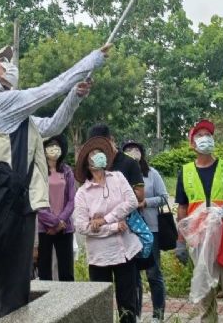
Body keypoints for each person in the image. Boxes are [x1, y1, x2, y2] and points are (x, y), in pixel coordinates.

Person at [0, 43, 110, 322]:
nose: (7, 64)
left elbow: (52, 126)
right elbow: (49, 89)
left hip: (0, 208)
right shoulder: (1, 103)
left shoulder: (6, 112)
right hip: (12, 210)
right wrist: (92, 60)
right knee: (14, 294)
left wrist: (74, 97)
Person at [174, 119, 223, 323]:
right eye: (199, 135)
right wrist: (180, 239)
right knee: (205, 294)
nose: (205, 138)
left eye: (208, 135)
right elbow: (181, 207)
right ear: (192, 144)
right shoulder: (186, 171)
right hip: (199, 240)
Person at [73, 136, 141, 323]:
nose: (99, 156)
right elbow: (82, 226)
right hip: (99, 257)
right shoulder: (82, 193)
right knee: (100, 305)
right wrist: (112, 226)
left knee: (128, 305)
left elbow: (132, 202)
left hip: (124, 251)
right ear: (87, 163)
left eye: (100, 153)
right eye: (93, 155)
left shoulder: (118, 178)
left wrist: (104, 219)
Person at [121, 140, 168, 323]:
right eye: (128, 150)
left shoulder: (151, 174)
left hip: (151, 229)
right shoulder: (120, 175)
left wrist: (145, 202)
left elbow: (163, 197)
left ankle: (158, 314)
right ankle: (136, 313)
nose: (133, 152)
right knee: (133, 276)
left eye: (136, 149)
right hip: (130, 230)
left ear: (142, 152)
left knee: (153, 272)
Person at [36, 134, 76, 282]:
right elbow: (36, 201)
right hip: (44, 227)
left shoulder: (67, 171)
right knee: (44, 272)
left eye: (57, 145)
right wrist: (53, 222)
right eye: (50, 146)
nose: (54, 149)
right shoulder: (38, 171)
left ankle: (70, 304)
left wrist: (60, 222)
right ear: (43, 149)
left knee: (67, 272)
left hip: (65, 227)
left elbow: (72, 200)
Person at [87, 124, 145, 203]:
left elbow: (140, 195)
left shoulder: (130, 162)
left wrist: (115, 190)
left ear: (111, 140)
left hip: (125, 213)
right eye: (96, 147)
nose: (100, 149)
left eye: (103, 145)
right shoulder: (94, 165)